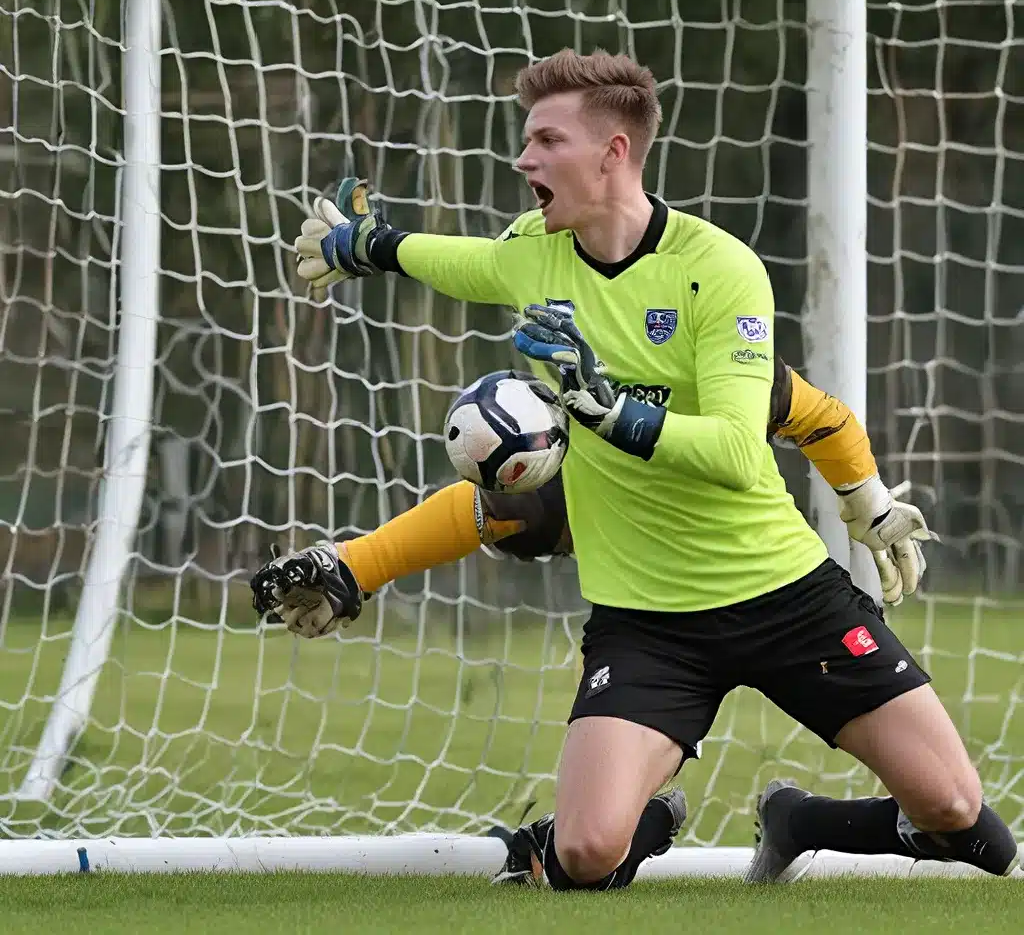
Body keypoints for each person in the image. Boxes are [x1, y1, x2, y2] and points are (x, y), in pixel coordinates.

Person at [254, 49, 1019, 888]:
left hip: (785, 595)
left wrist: (612, 411)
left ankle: (799, 819)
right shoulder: (532, 251)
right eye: (525, 139)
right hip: (647, 622)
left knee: (961, 820)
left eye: (546, 140)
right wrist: (368, 245)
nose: (524, 159)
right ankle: (636, 823)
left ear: (615, 151)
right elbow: (462, 261)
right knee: (584, 854)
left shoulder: (718, 272)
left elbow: (738, 449)